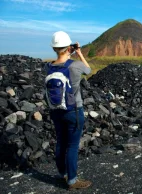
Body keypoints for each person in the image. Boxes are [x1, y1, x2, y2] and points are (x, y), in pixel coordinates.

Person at [45, 31, 92, 190]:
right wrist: (78, 52)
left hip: (56, 110)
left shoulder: (49, 67)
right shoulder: (75, 65)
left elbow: (61, 59)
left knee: (61, 142)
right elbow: (88, 70)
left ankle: (61, 173)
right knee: (72, 146)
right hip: (73, 110)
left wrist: (67, 51)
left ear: (54, 48)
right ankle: (72, 181)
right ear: (68, 47)